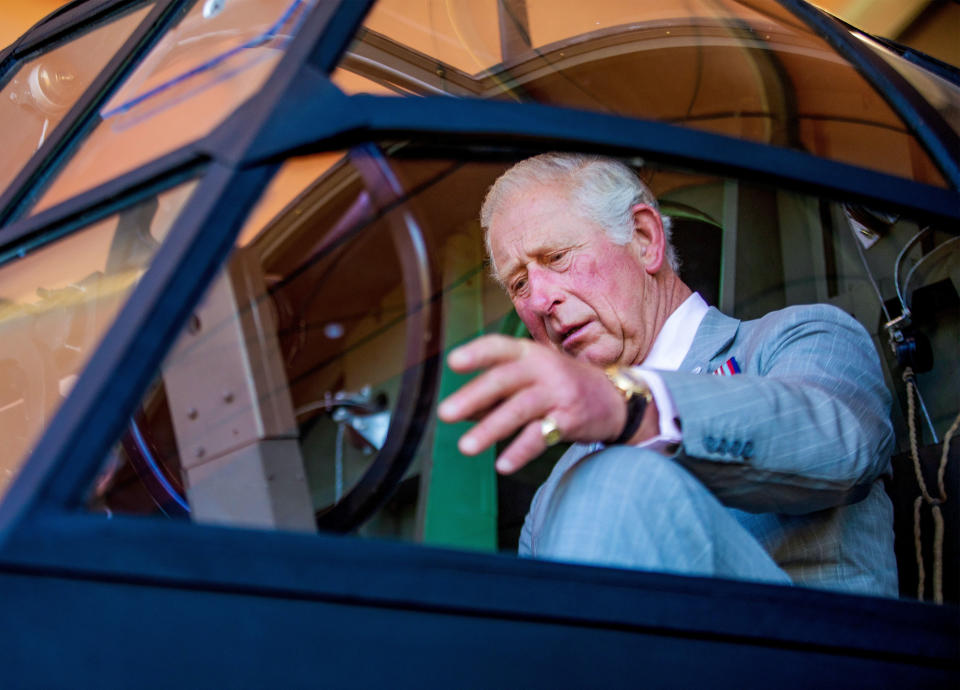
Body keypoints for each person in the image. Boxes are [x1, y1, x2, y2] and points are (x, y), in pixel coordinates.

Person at [437, 152, 897, 597]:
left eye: (557, 257)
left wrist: (636, 408)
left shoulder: (800, 338)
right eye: (519, 284)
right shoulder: (550, 498)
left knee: (617, 476)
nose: (538, 301)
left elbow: (840, 446)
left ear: (644, 238)